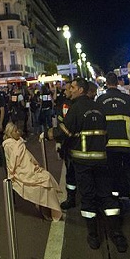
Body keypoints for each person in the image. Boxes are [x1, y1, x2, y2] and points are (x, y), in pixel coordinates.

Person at [49, 78, 127, 252]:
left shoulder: (76, 108)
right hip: (101, 159)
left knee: (88, 198)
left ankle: (93, 235)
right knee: (107, 197)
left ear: (81, 90)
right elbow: (105, 133)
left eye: (74, 87)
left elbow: (65, 132)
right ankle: (117, 235)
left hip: (83, 162)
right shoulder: (98, 107)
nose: (71, 90)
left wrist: (49, 134)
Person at [96, 71, 130, 229]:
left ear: (106, 82)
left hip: (109, 149)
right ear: (118, 82)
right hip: (129, 148)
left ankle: (116, 212)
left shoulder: (100, 101)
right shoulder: (128, 100)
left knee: (113, 178)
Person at [3, 122, 62, 221]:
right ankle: (44, 206)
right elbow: (13, 161)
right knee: (45, 179)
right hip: (22, 171)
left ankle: (47, 205)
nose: (18, 132)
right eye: (15, 131)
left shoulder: (19, 142)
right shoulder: (9, 145)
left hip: (28, 167)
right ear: (10, 133)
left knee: (46, 176)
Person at [55, 81, 77, 210]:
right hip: (68, 144)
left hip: (76, 144)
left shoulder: (75, 104)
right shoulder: (64, 104)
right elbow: (60, 123)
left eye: (68, 89)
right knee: (70, 173)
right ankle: (71, 197)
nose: (65, 92)